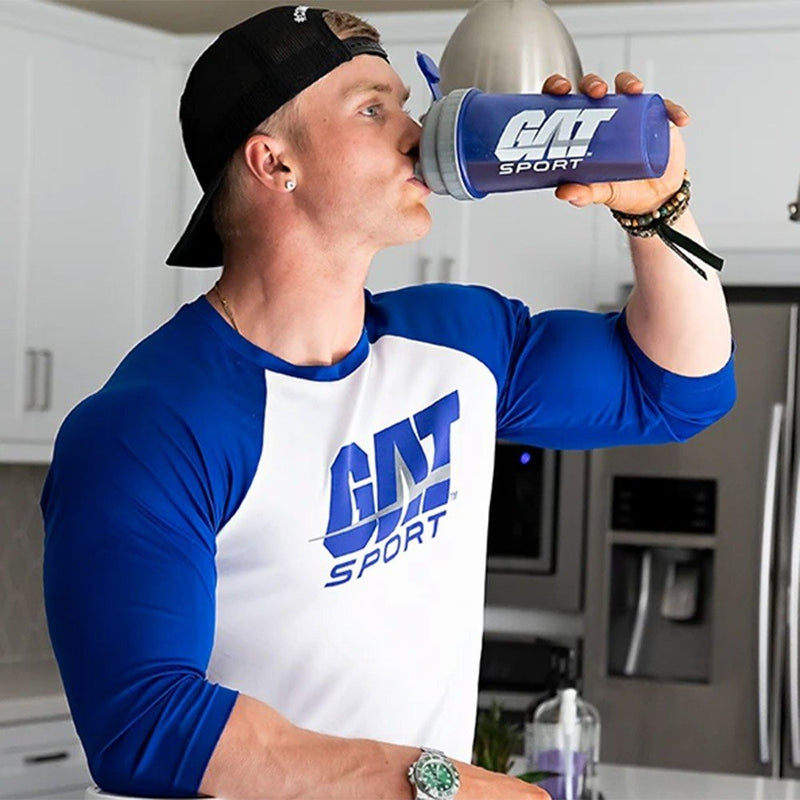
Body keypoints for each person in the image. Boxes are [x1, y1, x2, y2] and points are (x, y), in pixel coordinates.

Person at [41, 5, 735, 800]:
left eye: (407, 104)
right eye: (373, 109)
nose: (416, 132)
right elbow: (145, 724)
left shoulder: (458, 339)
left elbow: (679, 391)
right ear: (275, 162)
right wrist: (443, 786)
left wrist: (657, 204)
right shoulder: (148, 427)